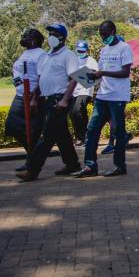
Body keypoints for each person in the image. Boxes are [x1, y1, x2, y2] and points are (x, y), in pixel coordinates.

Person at [16, 24, 82, 181]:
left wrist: (65, 99)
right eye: (50, 33)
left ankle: (32, 169)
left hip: (59, 99)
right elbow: (41, 78)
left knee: (47, 135)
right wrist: (34, 98)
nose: (51, 36)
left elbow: (74, 78)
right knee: (61, 135)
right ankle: (72, 164)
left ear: (63, 38)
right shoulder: (48, 56)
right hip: (48, 99)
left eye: (55, 34)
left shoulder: (68, 55)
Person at [73, 21, 133, 178]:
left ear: (113, 31)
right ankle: (90, 166)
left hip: (117, 96)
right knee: (92, 129)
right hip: (102, 95)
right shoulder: (104, 50)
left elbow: (125, 73)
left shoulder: (124, 48)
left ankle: (120, 166)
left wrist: (103, 73)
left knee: (118, 132)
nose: (103, 37)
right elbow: (101, 72)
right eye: (100, 34)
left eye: (105, 33)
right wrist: (93, 74)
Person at [6, 29, 47, 165]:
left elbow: (42, 77)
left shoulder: (41, 54)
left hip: (34, 97)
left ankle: (31, 162)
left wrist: (35, 98)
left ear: (34, 40)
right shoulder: (25, 53)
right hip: (20, 96)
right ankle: (34, 153)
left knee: (33, 131)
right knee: (12, 125)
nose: (24, 37)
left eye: (27, 35)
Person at [69, 41, 98, 146]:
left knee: (78, 109)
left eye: (83, 51)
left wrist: (82, 75)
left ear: (86, 50)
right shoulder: (73, 60)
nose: (80, 52)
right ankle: (79, 137)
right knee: (72, 113)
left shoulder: (91, 61)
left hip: (86, 89)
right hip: (74, 90)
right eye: (79, 51)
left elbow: (94, 74)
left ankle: (85, 136)